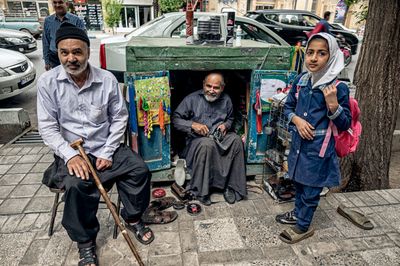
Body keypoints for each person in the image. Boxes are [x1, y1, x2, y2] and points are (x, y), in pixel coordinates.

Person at [37, 23, 154, 266]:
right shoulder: (48, 83)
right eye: (64, 53)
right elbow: (47, 128)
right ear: (58, 53)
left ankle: (132, 217)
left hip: (104, 145)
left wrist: (107, 151)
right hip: (71, 151)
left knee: (139, 170)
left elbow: (120, 117)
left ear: (88, 52)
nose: (71, 58)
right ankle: (86, 241)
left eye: (77, 52)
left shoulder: (107, 79)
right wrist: (70, 156)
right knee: (76, 185)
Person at [275, 33, 351, 243]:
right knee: (299, 183)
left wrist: (333, 105)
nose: (314, 58)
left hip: (319, 150)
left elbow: (345, 124)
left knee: (310, 191)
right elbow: (288, 107)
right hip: (299, 146)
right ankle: (298, 214)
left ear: (333, 56)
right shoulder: (301, 81)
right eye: (310, 52)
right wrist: (297, 120)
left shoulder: (338, 87)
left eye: (322, 53)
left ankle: (302, 226)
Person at [172, 73, 247, 206]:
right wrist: (192, 125)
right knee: (207, 144)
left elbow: (230, 119)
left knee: (235, 141)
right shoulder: (191, 99)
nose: (211, 90)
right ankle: (202, 191)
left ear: (222, 88)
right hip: (197, 140)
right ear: (203, 84)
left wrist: (225, 126)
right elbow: (175, 120)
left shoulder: (226, 100)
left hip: (219, 138)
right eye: (209, 86)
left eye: (216, 87)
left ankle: (231, 187)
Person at [42, 0, 85, 71]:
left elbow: (84, 42)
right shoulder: (48, 21)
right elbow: (45, 42)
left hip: (72, 57)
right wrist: (47, 61)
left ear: (67, 4)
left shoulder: (76, 20)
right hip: (54, 58)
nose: (57, 5)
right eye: (55, 3)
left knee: (72, 78)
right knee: (58, 79)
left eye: (60, 2)